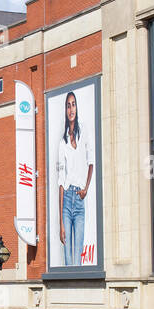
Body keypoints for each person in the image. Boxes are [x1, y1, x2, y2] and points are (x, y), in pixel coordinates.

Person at [57, 90, 94, 267]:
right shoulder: (62, 142)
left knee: (78, 253)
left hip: (79, 199)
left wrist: (86, 188)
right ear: (65, 110)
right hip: (66, 200)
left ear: (77, 107)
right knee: (67, 255)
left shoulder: (84, 131)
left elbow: (91, 162)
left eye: (73, 104)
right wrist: (60, 223)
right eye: (68, 105)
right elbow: (60, 182)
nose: (71, 109)